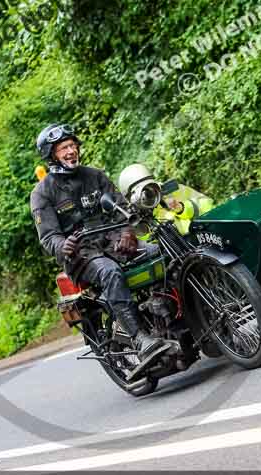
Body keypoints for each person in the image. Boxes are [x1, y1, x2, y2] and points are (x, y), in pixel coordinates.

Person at [29, 123, 168, 358]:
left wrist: (126, 232)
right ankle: (139, 337)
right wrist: (64, 246)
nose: (71, 151)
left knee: (161, 252)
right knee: (111, 272)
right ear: (52, 154)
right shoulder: (42, 193)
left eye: (73, 145)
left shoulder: (95, 176)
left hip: (114, 243)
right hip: (81, 257)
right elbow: (49, 237)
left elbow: (122, 209)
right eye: (64, 148)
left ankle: (171, 315)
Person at [118, 164, 215, 236]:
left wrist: (181, 208)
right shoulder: (136, 216)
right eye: (142, 192)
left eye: (149, 187)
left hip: (204, 236)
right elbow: (146, 241)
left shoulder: (174, 191)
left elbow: (209, 207)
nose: (148, 194)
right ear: (131, 198)